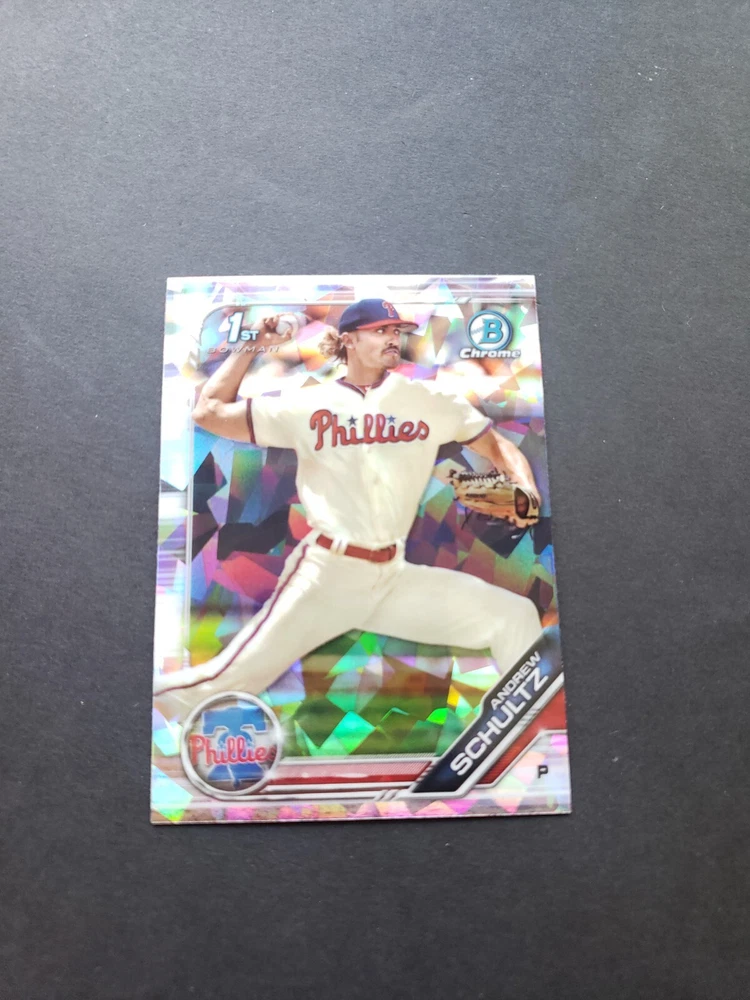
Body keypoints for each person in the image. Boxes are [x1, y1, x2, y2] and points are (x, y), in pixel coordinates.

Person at [155, 299, 542, 721]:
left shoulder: (428, 400)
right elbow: (209, 412)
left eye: (396, 331)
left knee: (514, 616)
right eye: (380, 331)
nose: (393, 338)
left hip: (393, 577)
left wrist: (526, 489)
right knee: (222, 681)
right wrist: (252, 346)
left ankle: (519, 726)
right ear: (349, 341)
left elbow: (496, 445)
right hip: (327, 577)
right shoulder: (306, 405)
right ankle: (141, 708)